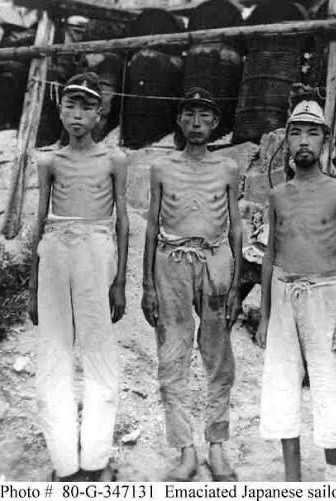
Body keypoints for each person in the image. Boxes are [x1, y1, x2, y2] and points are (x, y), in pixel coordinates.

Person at [28, 72, 129, 481]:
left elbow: (123, 221)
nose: (77, 115)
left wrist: (120, 282)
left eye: (87, 107)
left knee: (98, 352)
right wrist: (33, 286)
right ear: (60, 110)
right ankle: (65, 464)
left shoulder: (114, 160)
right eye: (70, 105)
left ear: (99, 114)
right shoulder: (50, 161)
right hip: (55, 251)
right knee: (54, 354)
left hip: (97, 250)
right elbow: (40, 221)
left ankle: (96, 461)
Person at [256, 99, 336, 481]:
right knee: (282, 387)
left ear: (324, 140)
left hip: (326, 294)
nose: (304, 141)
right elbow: (270, 254)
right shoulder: (278, 195)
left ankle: (335, 480)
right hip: (284, 293)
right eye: (296, 132)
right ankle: (292, 481)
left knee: (332, 386)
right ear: (286, 139)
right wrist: (265, 316)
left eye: (312, 133)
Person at [141, 87, 242, 481]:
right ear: (179, 120)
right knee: (173, 357)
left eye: (204, 116)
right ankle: (185, 450)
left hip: (215, 262)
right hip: (171, 264)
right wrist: (148, 285)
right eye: (189, 115)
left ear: (215, 123)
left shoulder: (227, 167)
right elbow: (152, 226)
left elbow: (235, 228)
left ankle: (216, 447)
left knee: (219, 359)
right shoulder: (162, 167)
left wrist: (236, 285)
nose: (196, 123)